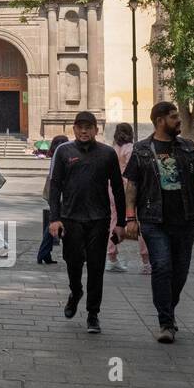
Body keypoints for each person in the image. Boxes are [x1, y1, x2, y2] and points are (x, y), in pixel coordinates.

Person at [123, 102, 194, 344]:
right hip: (154, 220)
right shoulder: (142, 149)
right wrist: (130, 217)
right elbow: (132, 185)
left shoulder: (187, 147)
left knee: (180, 272)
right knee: (163, 267)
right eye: (174, 117)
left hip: (184, 218)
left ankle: (169, 309)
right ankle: (165, 322)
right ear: (159, 120)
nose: (179, 120)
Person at [48, 111, 126, 334]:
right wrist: (55, 218)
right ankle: (75, 291)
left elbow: (118, 189)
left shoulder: (107, 154)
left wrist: (120, 222)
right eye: (80, 127)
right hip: (71, 218)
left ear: (96, 129)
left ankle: (93, 314)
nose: (84, 131)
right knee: (73, 263)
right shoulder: (64, 152)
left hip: (99, 219)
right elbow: (55, 187)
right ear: (74, 129)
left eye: (88, 127)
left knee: (96, 267)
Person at [106, 122, 150, 274]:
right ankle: (146, 261)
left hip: (113, 187)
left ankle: (111, 257)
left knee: (114, 220)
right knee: (138, 222)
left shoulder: (113, 149)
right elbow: (135, 171)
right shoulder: (130, 149)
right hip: (129, 188)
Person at [36, 134, 69, 265]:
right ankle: (43, 253)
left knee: (56, 222)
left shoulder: (56, 155)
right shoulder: (62, 155)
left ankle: (44, 253)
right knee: (58, 223)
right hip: (60, 193)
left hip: (53, 193)